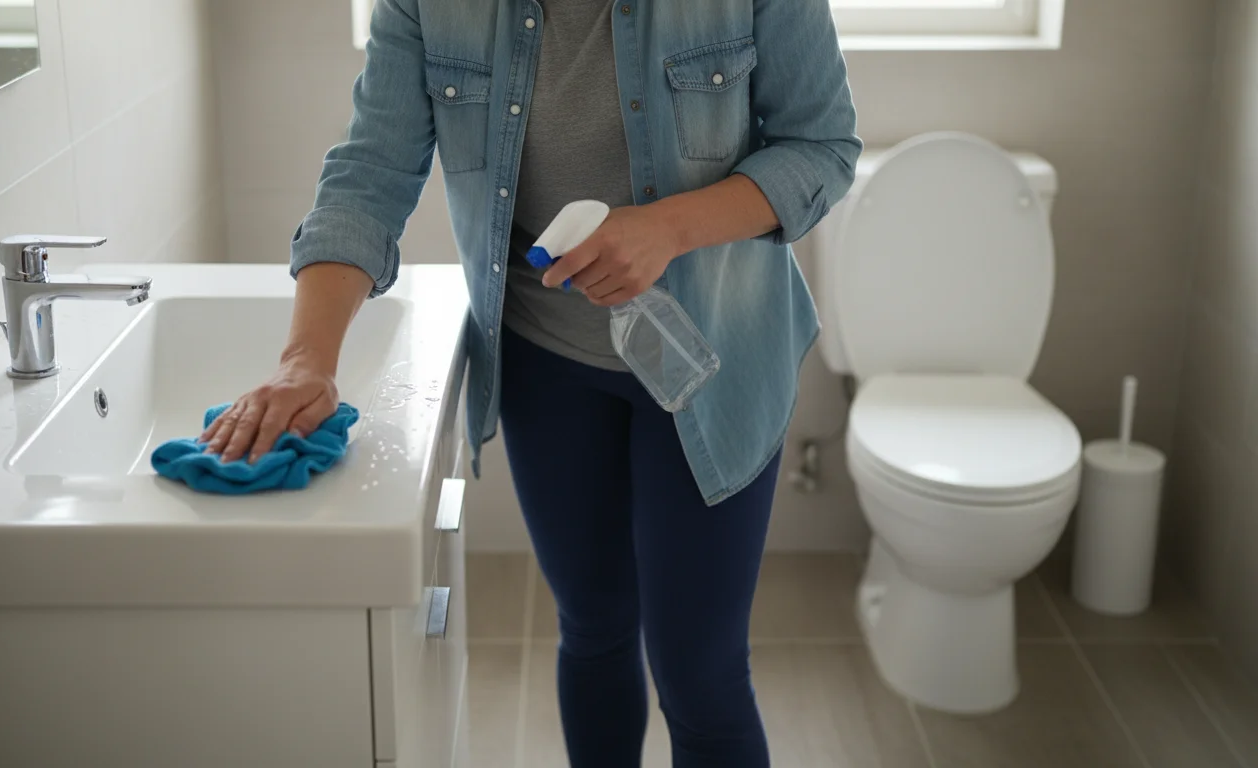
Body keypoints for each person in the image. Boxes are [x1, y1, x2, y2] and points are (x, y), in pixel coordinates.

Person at [202, 1, 859, 765]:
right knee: (593, 628)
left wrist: (667, 227)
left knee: (700, 674)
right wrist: (305, 359)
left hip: (720, 358)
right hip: (547, 361)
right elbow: (370, 172)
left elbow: (822, 146)